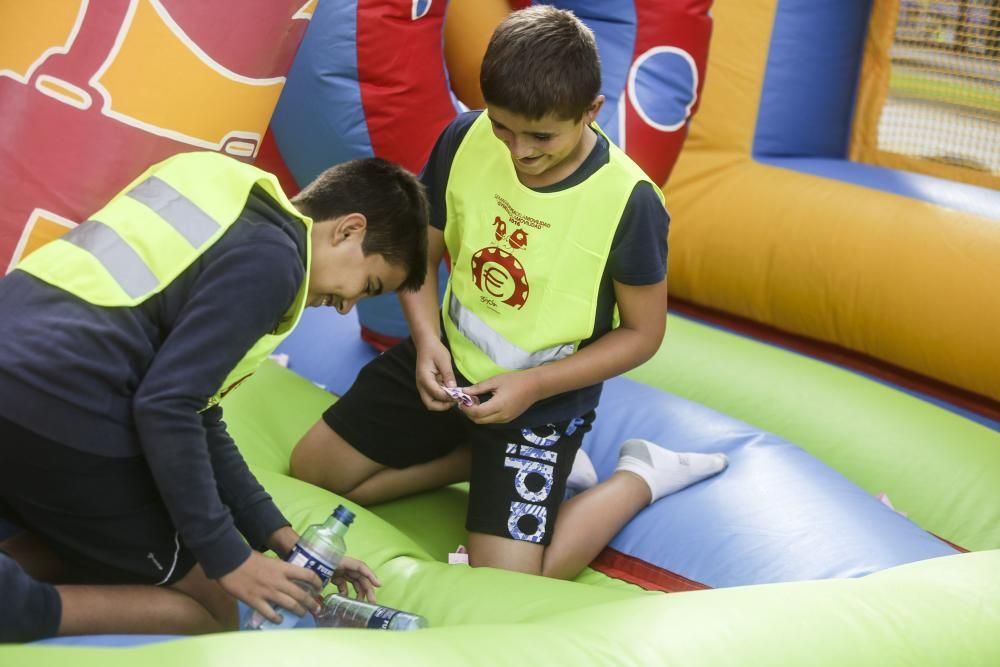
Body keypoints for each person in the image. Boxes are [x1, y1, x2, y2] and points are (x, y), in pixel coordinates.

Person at [290, 6, 727, 579]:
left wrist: (534, 384)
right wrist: (425, 341)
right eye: (504, 126)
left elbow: (645, 334)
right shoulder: (464, 137)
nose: (518, 150)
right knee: (311, 472)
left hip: (540, 402)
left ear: (592, 112)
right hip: (450, 370)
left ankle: (639, 477)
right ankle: (474, 455)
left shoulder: (630, 201)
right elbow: (419, 255)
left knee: (511, 579)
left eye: (541, 135)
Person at [0, 150, 430, 642]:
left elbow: (201, 413)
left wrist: (278, 535)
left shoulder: (223, 189)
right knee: (222, 608)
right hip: (62, 410)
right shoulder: (276, 263)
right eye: (367, 284)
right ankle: (19, 609)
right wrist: (231, 559)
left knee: (122, 532)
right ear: (349, 230)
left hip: (18, 372)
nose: (346, 306)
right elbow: (168, 405)